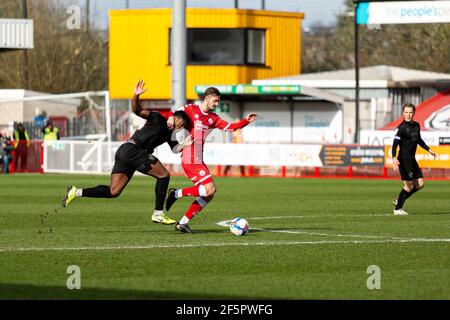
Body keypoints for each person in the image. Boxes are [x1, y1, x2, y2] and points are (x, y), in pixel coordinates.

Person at [62, 79, 192, 225]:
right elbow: (137, 110)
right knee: (164, 175)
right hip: (133, 150)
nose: (175, 127)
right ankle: (158, 213)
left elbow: (175, 149)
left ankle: (76, 192)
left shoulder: (169, 133)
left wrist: (184, 145)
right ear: (173, 117)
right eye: (176, 123)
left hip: (126, 151)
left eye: (178, 127)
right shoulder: (157, 117)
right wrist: (135, 96)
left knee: (114, 191)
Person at [164, 87, 258, 233]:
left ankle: (183, 222)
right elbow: (173, 114)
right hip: (190, 157)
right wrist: (170, 117)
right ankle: (176, 194)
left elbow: (231, 127)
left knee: (209, 194)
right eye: (215, 101)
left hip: (198, 158)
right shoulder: (190, 109)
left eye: (218, 102)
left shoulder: (212, 118)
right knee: (210, 189)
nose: (216, 104)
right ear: (207, 98)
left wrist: (246, 121)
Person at [391, 103, 437, 215]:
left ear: (414, 113)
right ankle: (397, 209)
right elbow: (395, 144)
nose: (408, 114)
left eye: (410, 112)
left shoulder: (416, 125)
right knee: (409, 185)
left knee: (420, 184)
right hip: (404, 159)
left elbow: (419, 140)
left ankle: (400, 200)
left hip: (412, 159)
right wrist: (393, 157)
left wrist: (428, 149)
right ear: (403, 113)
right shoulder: (401, 128)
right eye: (406, 112)